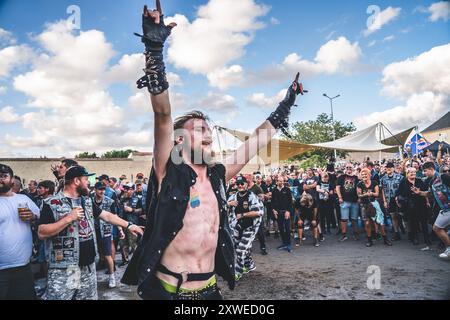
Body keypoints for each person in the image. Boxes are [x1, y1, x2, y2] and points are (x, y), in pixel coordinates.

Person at [122, 1, 305, 301]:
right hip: (169, 292)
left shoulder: (218, 175)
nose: (207, 133)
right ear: (179, 141)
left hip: (209, 291)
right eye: (199, 129)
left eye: (208, 128)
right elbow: (163, 116)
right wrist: (154, 50)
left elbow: (255, 142)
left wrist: (287, 103)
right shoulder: (168, 172)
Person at [38, 166, 143, 300]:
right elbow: (42, 232)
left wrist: (129, 225)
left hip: (88, 266)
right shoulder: (51, 203)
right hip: (67, 269)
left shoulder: (86, 201)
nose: (89, 183)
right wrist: (69, 218)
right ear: (76, 181)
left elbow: (106, 215)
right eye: (86, 179)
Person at [0, 164, 40, 300]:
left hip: (23, 267)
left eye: (4, 176)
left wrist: (33, 217)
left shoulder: (23, 199)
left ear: (12, 180)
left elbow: (40, 218)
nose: (0, 179)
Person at [227, 176, 263, 281]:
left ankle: (238, 271)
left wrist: (243, 214)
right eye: (238, 184)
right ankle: (249, 265)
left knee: (240, 250)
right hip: (237, 226)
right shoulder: (233, 197)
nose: (240, 186)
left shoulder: (252, 196)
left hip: (250, 227)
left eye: (242, 183)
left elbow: (258, 212)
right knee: (240, 247)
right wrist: (229, 204)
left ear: (246, 184)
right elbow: (222, 206)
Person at [91, 182, 122, 288]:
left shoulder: (110, 201)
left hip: (106, 231)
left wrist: (120, 229)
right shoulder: (89, 200)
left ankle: (112, 276)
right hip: (93, 231)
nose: (102, 191)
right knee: (97, 254)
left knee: (108, 254)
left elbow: (115, 216)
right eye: (99, 189)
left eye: (103, 189)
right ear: (95, 189)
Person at [417, 162, 450, 259]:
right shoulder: (431, 182)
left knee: (437, 228)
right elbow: (429, 194)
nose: (424, 173)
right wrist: (419, 192)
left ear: (431, 169)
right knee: (437, 228)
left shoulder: (444, 177)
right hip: (444, 209)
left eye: (425, 171)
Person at [396, 167, 431, 247]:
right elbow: (398, 193)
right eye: (411, 172)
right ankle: (415, 238)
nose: (413, 174)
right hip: (410, 205)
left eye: (414, 172)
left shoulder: (419, 181)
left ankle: (426, 238)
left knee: (424, 222)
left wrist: (427, 201)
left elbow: (426, 192)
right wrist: (398, 200)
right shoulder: (403, 182)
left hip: (421, 203)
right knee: (413, 222)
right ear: (407, 174)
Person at [357, 168, 392, 247]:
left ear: (369, 175)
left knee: (379, 222)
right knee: (367, 223)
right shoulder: (359, 184)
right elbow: (359, 195)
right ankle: (369, 240)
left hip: (374, 204)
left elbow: (377, 194)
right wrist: (365, 195)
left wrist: (371, 193)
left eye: (365, 174)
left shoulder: (374, 182)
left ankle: (385, 239)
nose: (364, 176)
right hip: (364, 205)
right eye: (362, 175)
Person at [380, 162, 404, 241]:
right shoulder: (383, 178)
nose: (388, 169)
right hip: (389, 200)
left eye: (390, 167)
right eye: (387, 167)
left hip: (398, 199)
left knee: (402, 216)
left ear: (393, 168)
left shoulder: (400, 177)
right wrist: (384, 201)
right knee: (393, 216)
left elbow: (402, 189)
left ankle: (407, 231)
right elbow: (382, 190)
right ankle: (396, 233)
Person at [336, 163, 360, 241]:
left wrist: (359, 197)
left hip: (354, 200)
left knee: (354, 218)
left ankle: (355, 234)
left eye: (350, 167)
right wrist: (340, 197)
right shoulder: (341, 177)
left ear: (353, 168)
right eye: (347, 167)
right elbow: (337, 188)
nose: (349, 168)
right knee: (344, 219)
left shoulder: (356, 177)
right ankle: (344, 235)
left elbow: (359, 188)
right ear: (345, 168)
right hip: (344, 200)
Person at [272, 177, 294, 252]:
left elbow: (290, 202)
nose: (281, 182)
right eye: (279, 181)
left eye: (282, 181)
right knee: (281, 228)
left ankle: (288, 244)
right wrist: (274, 210)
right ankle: (284, 243)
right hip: (278, 212)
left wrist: (288, 211)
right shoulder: (274, 190)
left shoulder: (287, 190)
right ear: (277, 182)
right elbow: (272, 201)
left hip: (286, 212)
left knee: (287, 228)